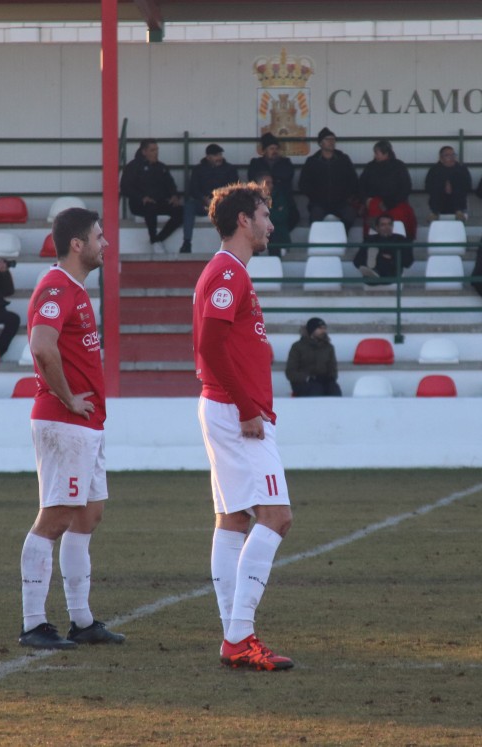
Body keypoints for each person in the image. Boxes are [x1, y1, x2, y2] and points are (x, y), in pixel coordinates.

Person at [192, 181, 294, 671]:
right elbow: (210, 345)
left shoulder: (228, 272)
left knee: (233, 519)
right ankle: (239, 636)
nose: (270, 224)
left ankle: (234, 634)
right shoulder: (229, 273)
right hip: (239, 414)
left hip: (228, 408)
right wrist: (248, 408)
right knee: (276, 517)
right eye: (263, 214)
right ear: (243, 221)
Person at [18, 206, 126, 649]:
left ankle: (81, 621)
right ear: (78, 244)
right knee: (57, 517)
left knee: (88, 514)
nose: (105, 244)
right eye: (99, 237)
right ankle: (33, 624)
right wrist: (67, 397)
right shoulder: (57, 287)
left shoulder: (74, 289)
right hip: (65, 422)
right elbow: (42, 347)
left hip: (85, 424)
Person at [120, 138, 184, 251]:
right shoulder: (133, 166)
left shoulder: (161, 167)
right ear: (144, 151)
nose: (156, 153)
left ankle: (159, 239)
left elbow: (171, 184)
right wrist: (141, 197)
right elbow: (125, 187)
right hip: (139, 203)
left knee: (181, 211)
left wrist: (174, 196)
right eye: (152, 150)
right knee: (150, 208)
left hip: (160, 202)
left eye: (157, 150)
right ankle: (153, 239)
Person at [179, 143, 239, 254]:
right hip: (204, 203)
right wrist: (204, 199)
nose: (219, 158)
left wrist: (219, 199)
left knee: (234, 209)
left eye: (220, 154)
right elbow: (193, 189)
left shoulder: (230, 169)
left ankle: (230, 245)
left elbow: (234, 189)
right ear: (208, 157)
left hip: (223, 204)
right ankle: (187, 242)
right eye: (216, 155)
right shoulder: (198, 169)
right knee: (189, 206)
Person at [298, 127, 359, 232]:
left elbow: (353, 180)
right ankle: (318, 246)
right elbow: (303, 184)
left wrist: (347, 196)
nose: (331, 142)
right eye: (328, 139)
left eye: (333, 139)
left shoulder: (343, 159)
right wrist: (315, 197)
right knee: (315, 220)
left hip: (341, 202)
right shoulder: (312, 161)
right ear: (320, 143)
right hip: (319, 203)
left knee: (350, 215)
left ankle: (340, 239)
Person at [359, 139, 416, 240]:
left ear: (386, 153)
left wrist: (390, 203)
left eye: (377, 153)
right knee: (372, 217)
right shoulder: (370, 167)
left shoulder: (399, 166)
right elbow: (361, 185)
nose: (375, 155)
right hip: (374, 203)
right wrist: (366, 200)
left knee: (402, 218)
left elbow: (406, 187)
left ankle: (402, 241)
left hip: (396, 202)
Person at [247, 132, 299, 233]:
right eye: (271, 148)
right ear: (264, 150)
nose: (274, 151)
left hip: (283, 198)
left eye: (276, 148)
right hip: (260, 199)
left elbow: (287, 177)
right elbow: (253, 181)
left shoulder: (286, 162)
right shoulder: (256, 163)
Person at [285, 317, 342, 397]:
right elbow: (290, 372)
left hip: (323, 382)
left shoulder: (328, 347)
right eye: (320, 328)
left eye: (324, 328)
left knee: (334, 390)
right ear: (311, 330)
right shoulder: (297, 347)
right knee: (316, 390)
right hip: (303, 383)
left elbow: (333, 368)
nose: (323, 331)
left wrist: (330, 379)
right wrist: (308, 378)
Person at [353, 212, 414, 284]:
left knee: (385, 262)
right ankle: (372, 271)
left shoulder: (401, 240)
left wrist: (392, 257)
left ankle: (374, 273)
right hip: (374, 270)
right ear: (377, 227)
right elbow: (357, 261)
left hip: (392, 271)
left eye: (389, 224)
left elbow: (408, 262)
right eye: (383, 225)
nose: (387, 227)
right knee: (371, 253)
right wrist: (379, 256)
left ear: (392, 226)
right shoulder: (369, 240)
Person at [248, 170, 292, 256]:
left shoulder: (279, 196)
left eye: (271, 182)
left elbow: (282, 216)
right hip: (256, 232)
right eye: (267, 183)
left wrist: (261, 214)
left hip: (276, 234)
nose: (271, 185)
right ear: (258, 184)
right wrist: (270, 212)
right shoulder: (249, 198)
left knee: (272, 231)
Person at [424, 146, 472, 222]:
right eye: (447, 155)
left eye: (453, 155)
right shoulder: (434, 170)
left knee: (459, 185)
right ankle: (435, 213)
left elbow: (468, 186)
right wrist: (443, 186)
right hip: (439, 201)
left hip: (458, 201)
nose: (451, 157)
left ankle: (459, 212)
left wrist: (453, 186)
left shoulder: (461, 169)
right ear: (441, 158)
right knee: (436, 188)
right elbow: (428, 187)